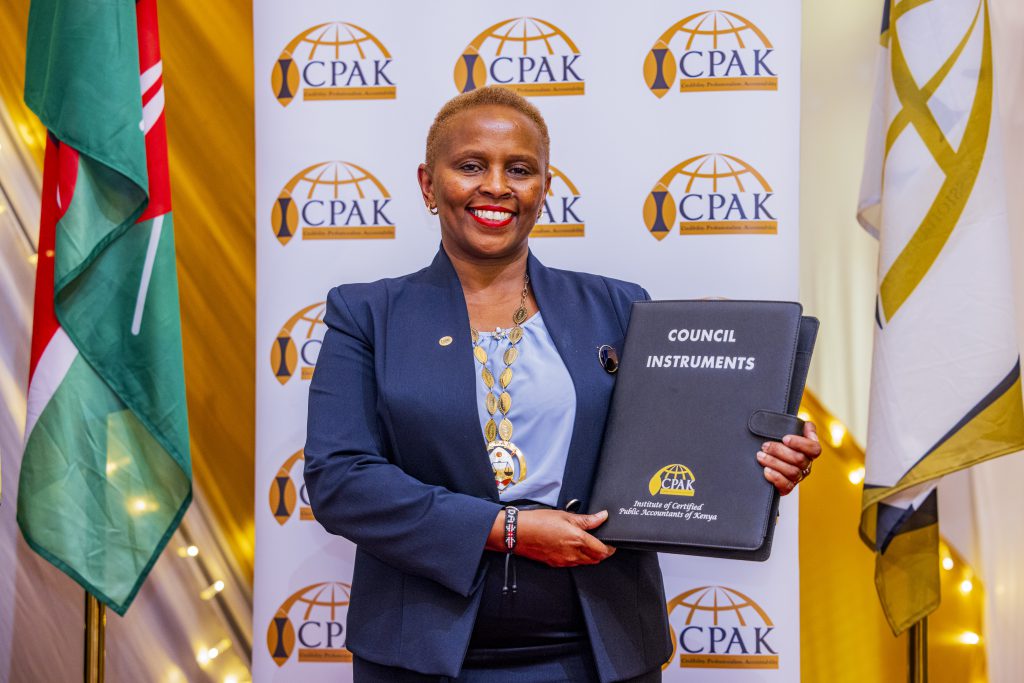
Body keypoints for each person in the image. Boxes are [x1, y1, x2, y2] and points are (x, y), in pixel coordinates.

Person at [303, 86, 822, 682]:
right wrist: (508, 531)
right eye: (471, 165)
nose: (496, 186)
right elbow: (340, 479)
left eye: (519, 170)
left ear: (544, 189)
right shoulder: (367, 314)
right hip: (420, 651)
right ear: (428, 183)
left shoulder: (620, 308)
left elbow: (680, 449)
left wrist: (761, 462)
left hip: (601, 649)